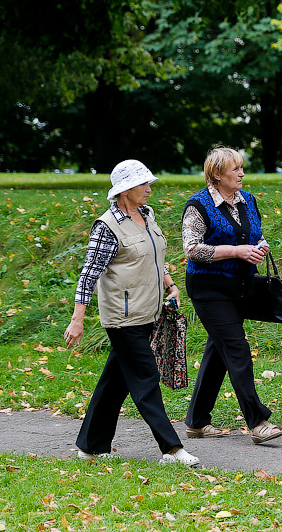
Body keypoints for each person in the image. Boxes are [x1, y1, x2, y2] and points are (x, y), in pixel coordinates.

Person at [64, 160, 200, 467]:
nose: (150, 189)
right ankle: (172, 449)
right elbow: (88, 274)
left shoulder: (147, 215)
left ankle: (90, 445)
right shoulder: (107, 227)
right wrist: (78, 319)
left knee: (115, 380)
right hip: (122, 318)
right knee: (145, 377)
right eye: (144, 184)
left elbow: (155, 255)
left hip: (148, 312)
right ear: (125, 190)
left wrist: (170, 283)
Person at [182, 147, 282, 444]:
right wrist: (236, 252)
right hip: (208, 288)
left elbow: (257, 234)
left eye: (241, 168)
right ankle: (258, 421)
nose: (241, 173)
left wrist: (260, 247)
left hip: (240, 287)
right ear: (216, 175)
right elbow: (192, 249)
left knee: (219, 352)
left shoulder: (247, 200)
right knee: (236, 348)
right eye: (234, 169)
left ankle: (196, 422)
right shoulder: (198, 205)